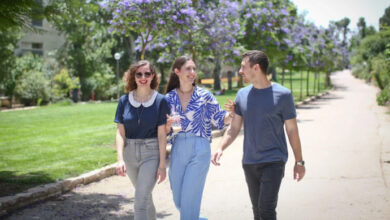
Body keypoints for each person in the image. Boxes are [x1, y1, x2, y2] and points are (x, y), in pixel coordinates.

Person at [211, 50, 305, 220]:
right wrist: (220, 148)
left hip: (274, 160)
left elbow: (292, 130)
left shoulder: (283, 95)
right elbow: (234, 128)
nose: (240, 71)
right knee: (257, 211)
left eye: (243, 67)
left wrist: (299, 161)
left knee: (266, 209)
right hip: (250, 162)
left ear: (256, 68)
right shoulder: (242, 95)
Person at [165, 56, 234, 220]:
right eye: (188, 68)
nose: (192, 72)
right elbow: (163, 130)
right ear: (177, 71)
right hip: (178, 147)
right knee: (179, 199)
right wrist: (167, 126)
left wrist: (232, 113)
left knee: (190, 200)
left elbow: (220, 118)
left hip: (200, 147)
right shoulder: (168, 98)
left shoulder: (205, 95)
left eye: (194, 69)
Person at [114, 60, 170, 220]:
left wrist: (162, 165)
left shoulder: (161, 101)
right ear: (134, 76)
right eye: (139, 74)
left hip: (151, 153)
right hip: (129, 154)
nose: (143, 77)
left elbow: (161, 135)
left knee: (139, 201)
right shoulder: (124, 101)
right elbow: (120, 132)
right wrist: (119, 159)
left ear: (153, 76)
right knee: (145, 197)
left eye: (147, 73)